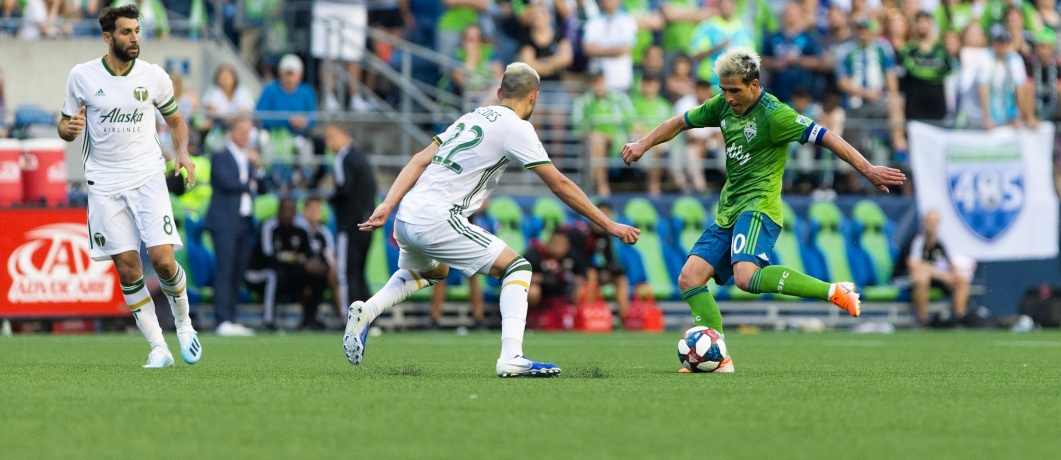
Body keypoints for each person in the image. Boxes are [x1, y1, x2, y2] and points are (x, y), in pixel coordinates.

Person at [621, 47, 905, 373]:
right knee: (689, 278)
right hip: (728, 210)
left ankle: (835, 292)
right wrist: (643, 144)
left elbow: (826, 137)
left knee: (745, 276)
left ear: (754, 85)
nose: (727, 98)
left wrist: (867, 169)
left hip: (759, 208)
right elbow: (680, 122)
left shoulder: (775, 115)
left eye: (734, 91)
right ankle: (720, 359)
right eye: (723, 90)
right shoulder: (723, 106)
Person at [347, 63, 640, 377]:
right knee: (518, 267)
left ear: (500, 93)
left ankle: (369, 310)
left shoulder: (471, 116)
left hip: (407, 215)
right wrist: (609, 225)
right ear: (534, 98)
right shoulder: (517, 127)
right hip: (437, 218)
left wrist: (388, 204)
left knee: (434, 270)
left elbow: (420, 159)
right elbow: (560, 184)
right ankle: (512, 355)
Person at [57, 5, 201, 368]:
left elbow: (176, 121)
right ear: (108, 37)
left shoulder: (154, 76)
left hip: (148, 176)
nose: (135, 38)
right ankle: (158, 346)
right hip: (104, 182)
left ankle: (184, 324)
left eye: (137, 31)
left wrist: (182, 153)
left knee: (163, 261)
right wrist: (68, 130)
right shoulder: (82, 76)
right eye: (126, 32)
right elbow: (63, 123)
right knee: (127, 267)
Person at [205, 115, 260, 337]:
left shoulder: (249, 158)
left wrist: (257, 169)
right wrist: (248, 183)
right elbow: (226, 181)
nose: (245, 135)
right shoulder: (220, 155)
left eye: (248, 131)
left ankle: (233, 316)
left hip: (244, 220)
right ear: (231, 132)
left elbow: (262, 185)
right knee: (225, 269)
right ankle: (222, 319)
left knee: (238, 270)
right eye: (241, 130)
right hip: (224, 220)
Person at [249, 198, 330, 331]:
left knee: (319, 276)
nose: (287, 214)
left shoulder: (301, 228)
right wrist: (300, 265)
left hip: (290, 272)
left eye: (291, 210)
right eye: (284, 210)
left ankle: (309, 321)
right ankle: (268, 321)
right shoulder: (269, 226)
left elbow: (309, 255)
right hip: (261, 271)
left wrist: (313, 266)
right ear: (279, 211)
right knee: (274, 276)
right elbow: (269, 257)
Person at [326, 123, 377, 312]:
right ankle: (369, 316)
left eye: (331, 136)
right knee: (359, 272)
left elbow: (344, 189)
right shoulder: (361, 157)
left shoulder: (343, 158)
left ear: (344, 135)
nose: (328, 142)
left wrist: (331, 199)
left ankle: (349, 318)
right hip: (365, 224)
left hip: (349, 225)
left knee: (346, 273)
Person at [893, 210, 974, 327]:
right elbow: (914, 266)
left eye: (935, 221)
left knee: (962, 280)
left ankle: (958, 319)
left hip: (934, 279)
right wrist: (942, 275)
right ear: (923, 222)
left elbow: (951, 264)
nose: (932, 225)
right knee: (922, 278)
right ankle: (922, 321)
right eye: (929, 221)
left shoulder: (940, 241)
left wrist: (954, 274)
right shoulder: (916, 239)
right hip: (905, 279)